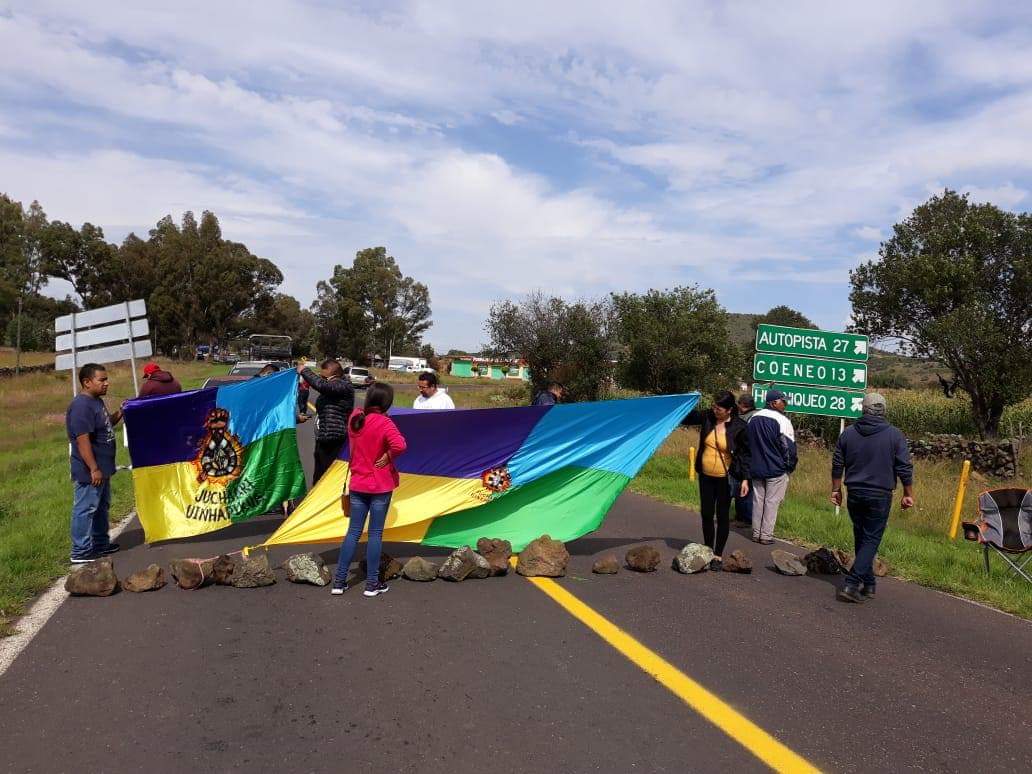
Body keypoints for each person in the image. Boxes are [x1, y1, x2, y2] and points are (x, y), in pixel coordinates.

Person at [831, 393, 914, 603]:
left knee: (861, 537)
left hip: (855, 492)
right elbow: (904, 467)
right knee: (871, 539)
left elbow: (837, 463)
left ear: (863, 409)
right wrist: (908, 493)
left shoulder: (848, 433)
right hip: (880, 493)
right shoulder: (894, 435)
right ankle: (852, 584)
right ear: (883, 411)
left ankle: (869, 584)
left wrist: (836, 490)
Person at [332, 382, 407, 597]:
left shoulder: (355, 418)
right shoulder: (385, 423)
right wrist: (388, 455)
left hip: (358, 483)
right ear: (387, 402)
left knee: (353, 532)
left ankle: (339, 581)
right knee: (375, 534)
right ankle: (372, 583)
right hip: (380, 484)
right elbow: (400, 445)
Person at [682, 391, 751, 571]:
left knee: (721, 516)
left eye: (718, 408)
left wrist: (745, 479)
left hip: (724, 479)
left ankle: (717, 555)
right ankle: (708, 549)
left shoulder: (739, 426)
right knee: (706, 513)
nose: (714, 410)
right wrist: (684, 401)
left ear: (729, 410)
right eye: (713, 407)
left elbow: (745, 455)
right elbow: (686, 418)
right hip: (705, 475)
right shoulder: (708, 417)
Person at [66, 363, 123, 563]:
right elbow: (82, 440)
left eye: (106, 379)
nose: (107, 383)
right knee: (86, 508)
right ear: (87, 382)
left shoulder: (96, 401)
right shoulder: (81, 406)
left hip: (103, 468)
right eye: (102, 380)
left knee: (101, 507)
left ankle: (100, 544)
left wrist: (121, 412)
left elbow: (106, 425)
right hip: (90, 470)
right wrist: (94, 468)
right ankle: (80, 551)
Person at [747, 388, 797, 545]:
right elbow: (788, 448)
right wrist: (789, 467)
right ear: (774, 403)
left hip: (755, 466)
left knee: (758, 501)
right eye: (784, 401)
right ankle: (766, 535)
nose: (786, 404)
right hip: (775, 468)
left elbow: (747, 444)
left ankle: (756, 533)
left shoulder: (753, 418)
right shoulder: (783, 421)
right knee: (772, 502)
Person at [297, 359, 355, 485]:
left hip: (335, 438)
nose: (322, 379)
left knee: (326, 477)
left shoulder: (343, 385)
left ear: (334, 374)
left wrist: (304, 371)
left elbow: (323, 386)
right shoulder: (334, 386)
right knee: (319, 475)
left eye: (324, 377)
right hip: (324, 437)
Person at [731, 394, 757, 527]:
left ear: (743, 405)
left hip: (745, 458)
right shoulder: (756, 416)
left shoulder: (749, 419)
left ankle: (745, 519)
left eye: (739, 404)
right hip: (748, 458)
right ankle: (741, 517)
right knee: (742, 489)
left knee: (744, 490)